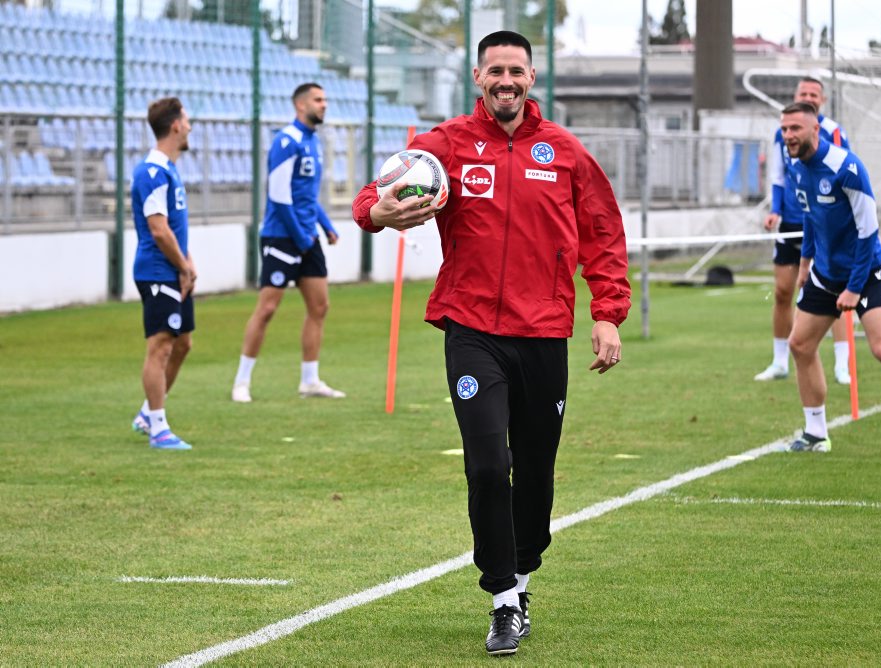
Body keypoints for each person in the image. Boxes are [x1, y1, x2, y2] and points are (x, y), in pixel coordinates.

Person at [351, 31, 631, 656]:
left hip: (544, 333)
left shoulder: (564, 152)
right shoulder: (445, 146)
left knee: (534, 471)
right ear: (478, 78)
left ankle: (524, 571)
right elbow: (377, 191)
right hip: (472, 328)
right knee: (486, 465)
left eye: (517, 71)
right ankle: (503, 597)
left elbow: (604, 234)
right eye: (495, 71)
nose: (506, 81)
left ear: (532, 78)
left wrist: (607, 313)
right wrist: (377, 213)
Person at [780, 101, 881, 463]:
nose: (788, 135)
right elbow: (810, 217)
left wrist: (853, 287)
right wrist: (805, 264)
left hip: (865, 272)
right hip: (825, 273)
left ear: (815, 130)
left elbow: (869, 233)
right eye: (785, 129)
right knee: (800, 345)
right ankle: (815, 432)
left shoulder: (847, 168)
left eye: (795, 129)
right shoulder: (795, 166)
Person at [231, 82, 344, 403]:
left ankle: (310, 380)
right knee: (267, 308)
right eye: (318, 100)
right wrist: (301, 237)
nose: (324, 105)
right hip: (283, 236)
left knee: (319, 307)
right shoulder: (287, 141)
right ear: (300, 106)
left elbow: (306, 195)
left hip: (307, 236)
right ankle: (242, 381)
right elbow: (279, 197)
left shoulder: (313, 142)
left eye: (325, 99)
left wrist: (325, 226)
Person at [758, 76, 852, 385]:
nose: (809, 97)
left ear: (822, 100)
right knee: (783, 291)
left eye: (814, 93)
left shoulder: (834, 132)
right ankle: (779, 361)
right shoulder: (780, 134)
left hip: (824, 225)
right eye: (803, 93)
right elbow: (778, 175)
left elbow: (842, 175)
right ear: (795, 95)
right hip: (792, 224)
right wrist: (775, 210)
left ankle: (842, 364)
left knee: (835, 292)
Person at [129, 97, 196, 450]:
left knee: (182, 343)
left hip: (174, 268)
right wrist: (182, 266)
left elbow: (173, 226)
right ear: (174, 126)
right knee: (160, 347)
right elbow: (158, 229)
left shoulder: (168, 169)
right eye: (186, 120)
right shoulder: (152, 171)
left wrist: (188, 261)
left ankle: (146, 413)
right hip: (158, 271)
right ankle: (158, 428)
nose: (189, 126)